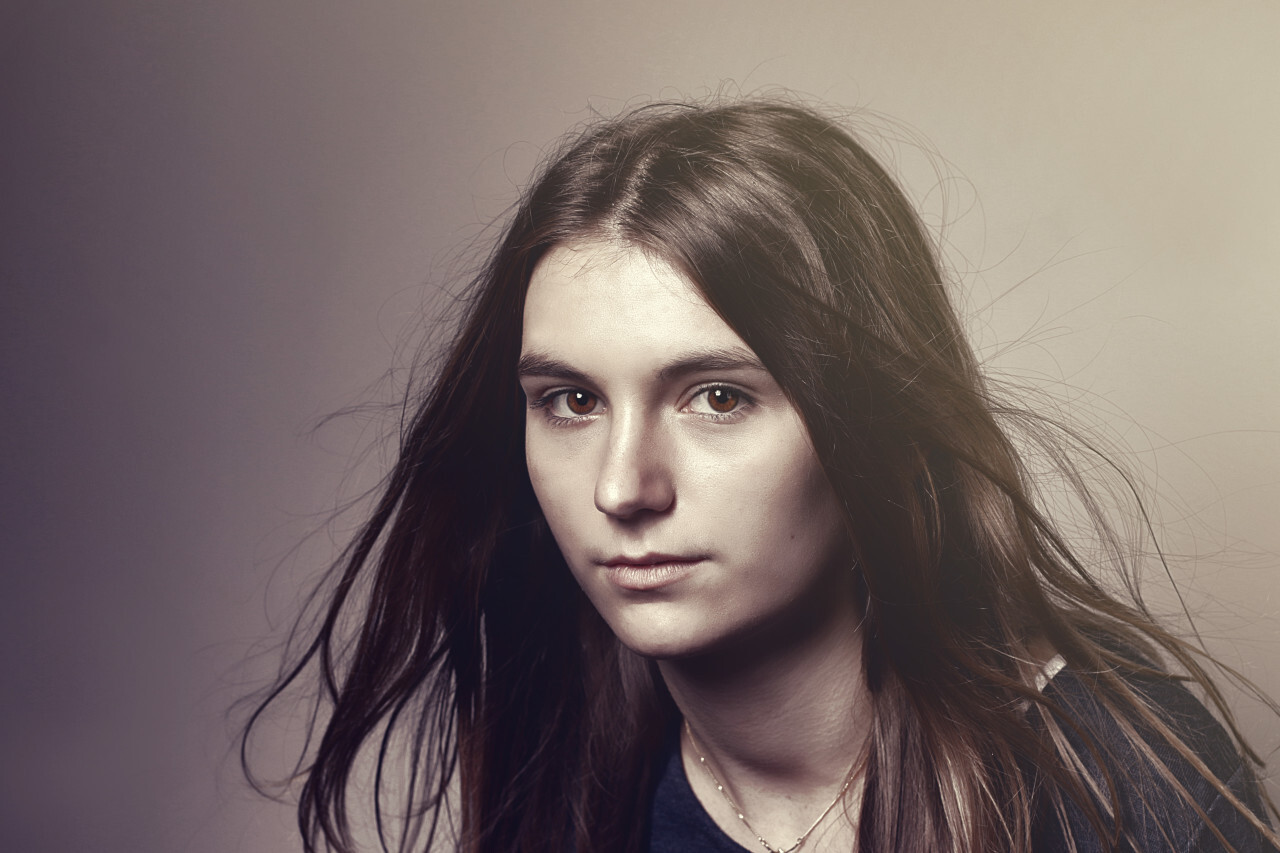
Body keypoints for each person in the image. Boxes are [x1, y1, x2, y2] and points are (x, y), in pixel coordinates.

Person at [243, 99, 1278, 852]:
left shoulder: (1110, 783)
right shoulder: (560, 776)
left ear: (862, 423)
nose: (621, 486)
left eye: (717, 397)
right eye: (570, 400)